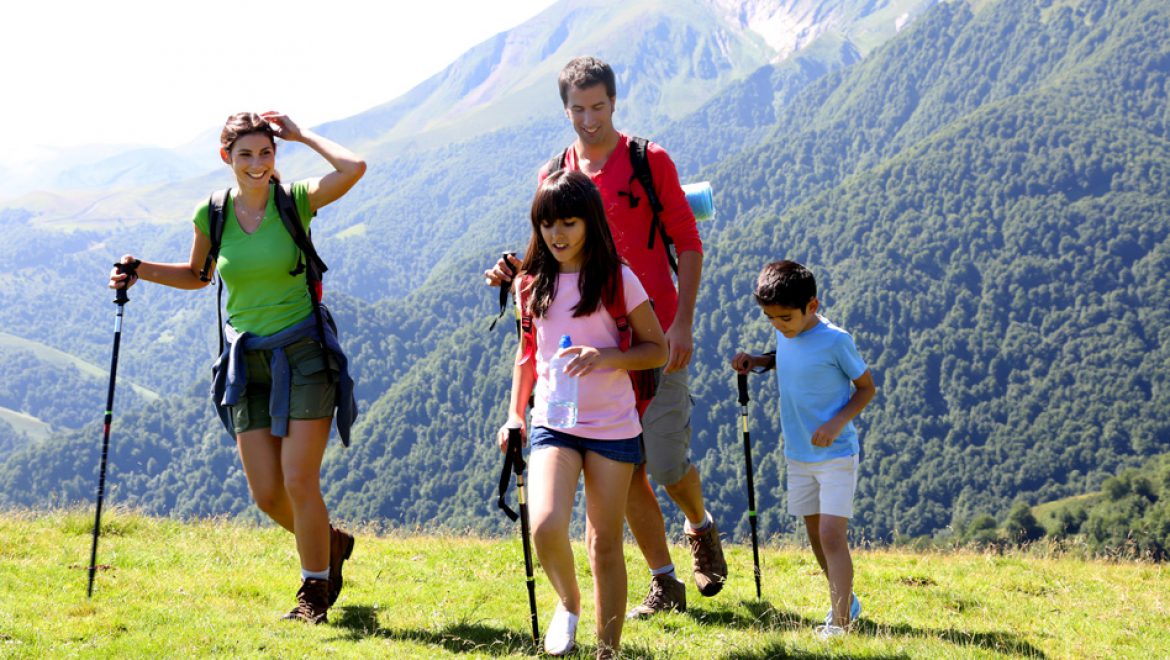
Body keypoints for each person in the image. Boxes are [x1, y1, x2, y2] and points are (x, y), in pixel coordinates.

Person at [485, 55, 726, 619]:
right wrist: (514, 270)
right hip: (589, 351)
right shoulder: (555, 172)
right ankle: (665, 582)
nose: (589, 119)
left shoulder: (648, 160)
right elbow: (551, 250)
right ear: (565, 109)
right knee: (630, 468)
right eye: (578, 109)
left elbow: (688, 242)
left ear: (614, 102)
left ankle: (699, 523)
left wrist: (682, 323)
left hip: (651, 336)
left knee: (664, 463)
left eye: (598, 107)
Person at [107, 111, 366, 624]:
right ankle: (331, 543)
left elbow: (353, 168)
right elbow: (198, 274)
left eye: (265, 153)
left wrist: (300, 134)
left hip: (305, 354)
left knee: (299, 480)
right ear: (226, 157)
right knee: (267, 494)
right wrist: (140, 272)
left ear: (275, 155)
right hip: (245, 361)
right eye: (245, 154)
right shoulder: (213, 213)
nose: (256, 164)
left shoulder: (294, 200)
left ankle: (314, 592)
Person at [496, 170, 667, 657]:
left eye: (569, 223)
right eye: (547, 224)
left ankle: (607, 650)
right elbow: (528, 355)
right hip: (554, 422)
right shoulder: (529, 284)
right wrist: (515, 415)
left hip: (613, 428)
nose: (557, 234)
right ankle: (568, 603)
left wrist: (605, 357)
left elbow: (656, 349)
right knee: (545, 525)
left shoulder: (618, 279)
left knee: (603, 543)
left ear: (590, 221)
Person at [730, 260, 876, 640]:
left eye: (785, 318)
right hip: (798, 453)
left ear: (812, 306)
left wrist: (835, 423)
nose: (778, 326)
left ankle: (840, 625)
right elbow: (786, 356)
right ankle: (846, 601)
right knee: (815, 535)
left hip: (836, 453)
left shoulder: (836, 340)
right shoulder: (787, 332)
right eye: (770, 319)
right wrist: (757, 361)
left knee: (831, 536)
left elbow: (866, 389)